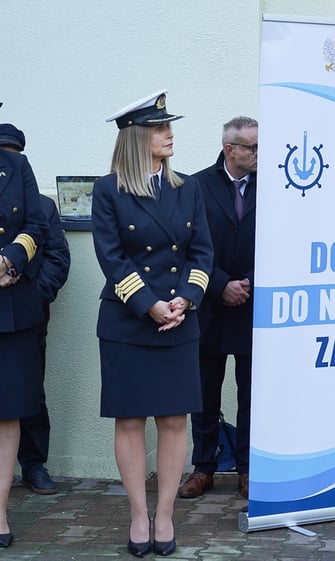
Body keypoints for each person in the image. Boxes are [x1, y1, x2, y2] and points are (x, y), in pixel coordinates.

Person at [92, 90, 212, 557]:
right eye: (160, 127)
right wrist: (149, 305)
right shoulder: (109, 190)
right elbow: (111, 257)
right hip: (128, 321)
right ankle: (138, 515)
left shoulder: (188, 188)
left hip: (179, 319)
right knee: (129, 421)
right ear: (136, 136)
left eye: (169, 126)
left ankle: (165, 515)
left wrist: (185, 299)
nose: (169, 133)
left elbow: (202, 252)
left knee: (174, 419)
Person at [179, 116, 257, 500]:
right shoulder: (195, 186)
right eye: (253, 147)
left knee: (252, 394)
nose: (260, 154)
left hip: (254, 305)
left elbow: (284, 241)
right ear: (230, 150)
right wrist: (220, 284)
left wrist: (250, 282)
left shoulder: (277, 186)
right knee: (205, 392)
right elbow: (186, 247)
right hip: (209, 305)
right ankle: (203, 467)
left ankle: (248, 468)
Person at [0, 124, 71, 496]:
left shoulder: (42, 206)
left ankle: (33, 464)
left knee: (28, 394)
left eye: (12, 153)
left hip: (26, 314)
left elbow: (58, 258)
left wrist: (33, 295)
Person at [0, 103, 48, 549]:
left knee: (8, 410)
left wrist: (11, 259)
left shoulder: (16, 166)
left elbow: (36, 224)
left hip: (9, 307)